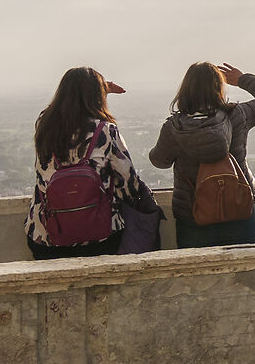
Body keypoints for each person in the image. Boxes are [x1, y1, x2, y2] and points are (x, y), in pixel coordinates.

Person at [26, 67, 157, 259]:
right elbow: (128, 183)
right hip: (97, 237)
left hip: (46, 235)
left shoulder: (44, 124)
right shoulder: (105, 131)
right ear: (97, 96)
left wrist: (95, 87)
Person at [149, 62, 255, 249]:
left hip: (193, 216)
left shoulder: (174, 128)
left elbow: (159, 161)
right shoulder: (238, 115)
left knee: (197, 274)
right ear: (219, 87)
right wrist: (242, 79)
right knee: (243, 273)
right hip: (239, 208)